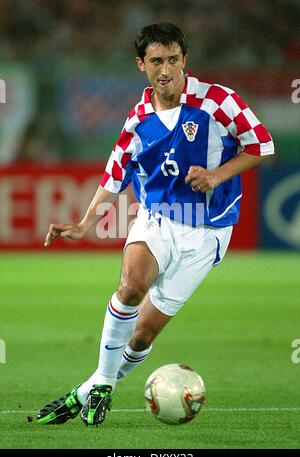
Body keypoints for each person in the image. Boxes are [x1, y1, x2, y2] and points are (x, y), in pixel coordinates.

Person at [37, 22, 275, 426]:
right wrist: (84, 222)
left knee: (142, 336)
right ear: (141, 65)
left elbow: (262, 145)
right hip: (157, 218)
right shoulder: (138, 119)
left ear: (185, 60)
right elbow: (115, 173)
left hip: (208, 232)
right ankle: (99, 389)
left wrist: (217, 176)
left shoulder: (219, 101)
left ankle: (91, 390)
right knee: (130, 286)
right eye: (156, 61)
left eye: (173, 60)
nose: (166, 70)